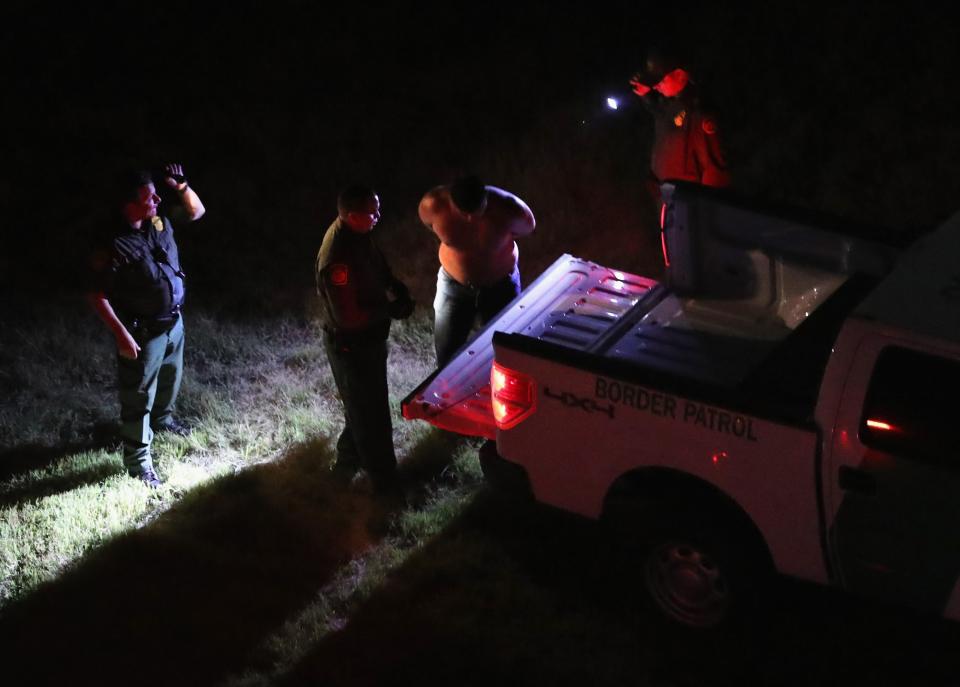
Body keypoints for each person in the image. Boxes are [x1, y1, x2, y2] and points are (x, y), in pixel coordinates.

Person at [88, 163, 205, 487]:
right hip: (143, 334)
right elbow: (96, 295)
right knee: (138, 398)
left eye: (156, 193)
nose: (156, 199)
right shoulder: (113, 244)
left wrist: (182, 188)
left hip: (174, 324)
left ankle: (164, 421)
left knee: (170, 379)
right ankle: (138, 463)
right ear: (129, 204)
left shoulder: (157, 222)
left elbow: (196, 213)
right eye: (148, 196)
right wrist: (122, 336)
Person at [315, 185, 414, 495]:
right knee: (372, 417)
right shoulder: (338, 257)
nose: (379, 216)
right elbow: (349, 317)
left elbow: (374, 262)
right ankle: (386, 485)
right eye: (373, 212)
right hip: (353, 346)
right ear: (352, 216)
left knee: (360, 408)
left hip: (366, 342)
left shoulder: (357, 232)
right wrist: (390, 309)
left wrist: (392, 284)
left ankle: (347, 463)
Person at [418, 175, 536, 367]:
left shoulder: (509, 208)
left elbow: (528, 227)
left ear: (486, 199)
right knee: (447, 352)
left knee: (504, 352)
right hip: (453, 287)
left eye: (478, 212)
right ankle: (449, 395)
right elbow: (427, 223)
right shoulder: (434, 205)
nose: (471, 218)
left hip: (501, 287)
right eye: (463, 213)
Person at [629, 46, 731, 198]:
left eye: (661, 80)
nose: (656, 86)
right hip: (669, 201)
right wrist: (646, 95)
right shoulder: (669, 104)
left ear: (680, 75)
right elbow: (659, 113)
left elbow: (714, 174)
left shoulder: (698, 114)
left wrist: (707, 211)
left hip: (687, 206)